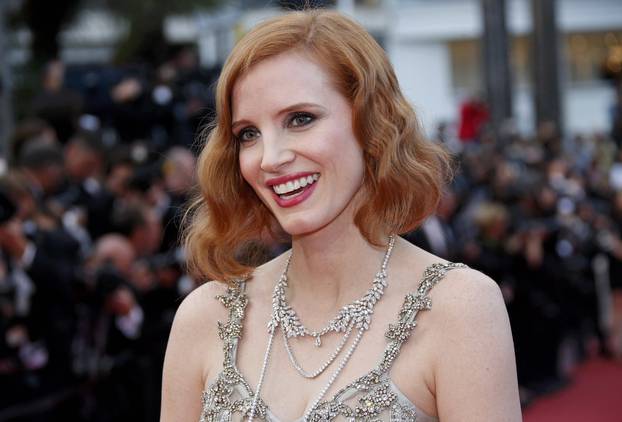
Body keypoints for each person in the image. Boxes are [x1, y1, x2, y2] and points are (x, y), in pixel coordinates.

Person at [161, 10, 521, 422]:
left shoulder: (459, 307)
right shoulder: (205, 316)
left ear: (371, 122)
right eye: (248, 134)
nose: (270, 158)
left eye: (300, 119)